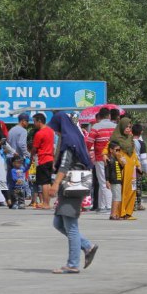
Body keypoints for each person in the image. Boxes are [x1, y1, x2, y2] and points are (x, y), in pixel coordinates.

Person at [47, 112, 97, 275]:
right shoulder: (74, 138)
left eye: (56, 129)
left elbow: (64, 165)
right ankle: (87, 246)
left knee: (71, 226)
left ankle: (73, 264)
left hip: (71, 186)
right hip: (69, 187)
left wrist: (54, 184)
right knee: (59, 223)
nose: (56, 133)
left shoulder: (68, 142)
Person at [110, 117, 140, 220]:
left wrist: (138, 165)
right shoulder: (115, 139)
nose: (128, 129)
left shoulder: (130, 138)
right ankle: (121, 212)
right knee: (123, 191)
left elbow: (134, 153)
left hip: (132, 169)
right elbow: (108, 151)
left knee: (132, 190)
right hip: (123, 169)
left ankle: (128, 212)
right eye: (126, 127)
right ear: (121, 126)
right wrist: (119, 158)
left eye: (129, 127)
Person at [88, 108, 116, 213]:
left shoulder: (96, 127)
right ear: (109, 116)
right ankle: (102, 205)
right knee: (105, 182)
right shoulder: (115, 127)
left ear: (99, 116)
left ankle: (108, 206)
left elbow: (89, 142)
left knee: (104, 182)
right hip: (114, 158)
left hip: (100, 158)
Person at [32, 113, 55, 210]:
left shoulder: (39, 133)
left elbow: (34, 148)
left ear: (39, 121)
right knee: (48, 182)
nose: (34, 124)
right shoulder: (51, 131)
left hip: (43, 159)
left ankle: (45, 203)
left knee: (44, 183)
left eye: (34, 121)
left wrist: (31, 155)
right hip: (50, 158)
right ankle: (47, 202)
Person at [105, 141, 124, 220]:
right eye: (116, 150)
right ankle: (113, 214)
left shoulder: (117, 159)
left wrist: (122, 163)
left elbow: (121, 168)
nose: (118, 152)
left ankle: (113, 214)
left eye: (119, 150)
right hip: (114, 180)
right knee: (117, 198)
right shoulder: (109, 159)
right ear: (111, 150)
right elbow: (107, 170)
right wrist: (107, 180)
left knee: (116, 198)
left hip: (118, 179)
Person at [133, 123, 147, 211]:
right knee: (138, 186)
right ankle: (138, 204)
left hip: (129, 166)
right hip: (138, 167)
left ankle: (131, 204)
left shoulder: (128, 141)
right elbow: (143, 158)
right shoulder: (141, 143)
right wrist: (146, 170)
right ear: (141, 132)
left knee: (131, 185)